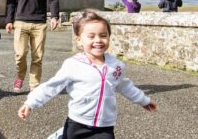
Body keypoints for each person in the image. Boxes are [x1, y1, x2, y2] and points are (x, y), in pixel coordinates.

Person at [18, 10, 157, 139]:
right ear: (79, 40)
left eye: (103, 35)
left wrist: (143, 100)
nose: (98, 40)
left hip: (105, 126)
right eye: (91, 36)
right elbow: (51, 86)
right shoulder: (73, 64)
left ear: (109, 37)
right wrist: (30, 103)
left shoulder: (116, 66)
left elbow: (125, 85)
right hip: (77, 123)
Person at [5, 0, 60, 92]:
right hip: (21, 22)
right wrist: (9, 20)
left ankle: (34, 85)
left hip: (39, 24)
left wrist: (54, 16)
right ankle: (20, 76)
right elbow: (10, 1)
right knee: (20, 54)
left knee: (37, 57)